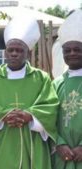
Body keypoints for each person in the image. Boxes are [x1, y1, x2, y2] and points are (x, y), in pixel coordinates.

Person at [0, 15, 59, 169]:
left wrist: (30, 116)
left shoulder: (41, 78)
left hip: (32, 142)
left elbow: (50, 107)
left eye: (19, 50)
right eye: (11, 50)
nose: (14, 53)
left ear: (28, 54)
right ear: (5, 53)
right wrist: (3, 115)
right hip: (1, 142)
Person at [53, 10, 82, 169]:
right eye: (67, 50)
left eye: (77, 49)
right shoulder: (56, 84)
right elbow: (48, 118)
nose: (72, 54)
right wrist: (59, 144)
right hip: (61, 155)